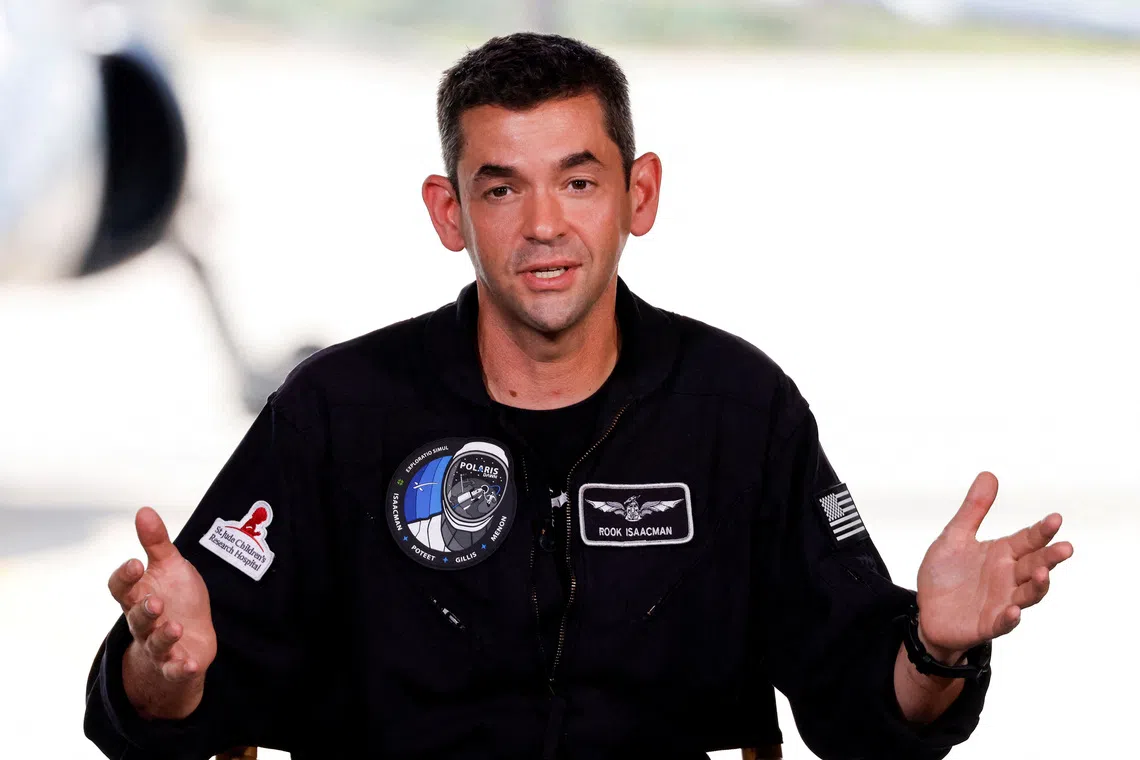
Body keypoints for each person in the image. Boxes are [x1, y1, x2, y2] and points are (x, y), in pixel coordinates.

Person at [84, 32, 1074, 760]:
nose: (544, 226)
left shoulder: (739, 410)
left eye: (579, 181)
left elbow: (864, 705)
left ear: (639, 195)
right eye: (503, 188)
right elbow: (158, 699)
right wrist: (162, 670)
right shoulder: (338, 414)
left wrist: (934, 649)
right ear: (449, 212)